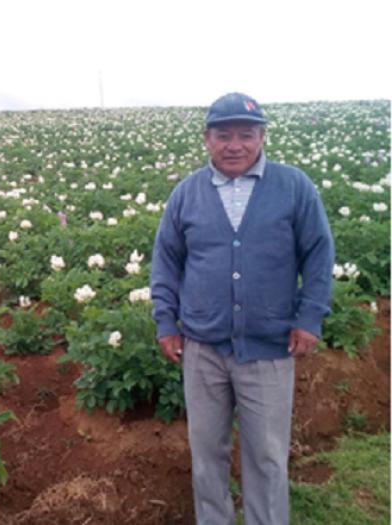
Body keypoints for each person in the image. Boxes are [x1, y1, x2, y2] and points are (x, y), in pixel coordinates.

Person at [149, 92, 334, 525]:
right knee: (207, 453)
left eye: (246, 135)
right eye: (223, 135)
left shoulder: (293, 187)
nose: (235, 145)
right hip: (202, 348)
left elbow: (319, 255)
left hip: (268, 349)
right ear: (206, 139)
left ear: (262, 136)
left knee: (267, 455)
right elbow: (167, 259)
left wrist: (310, 317)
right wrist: (165, 320)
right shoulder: (187, 193)